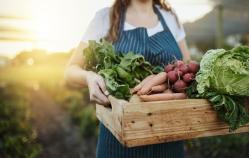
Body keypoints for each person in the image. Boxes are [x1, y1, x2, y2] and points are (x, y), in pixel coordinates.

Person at [65, 0, 190, 157]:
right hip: (118, 139)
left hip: (169, 135)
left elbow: (185, 67)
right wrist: (89, 77)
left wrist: (164, 80)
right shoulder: (105, 18)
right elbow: (70, 71)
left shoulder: (169, 16)